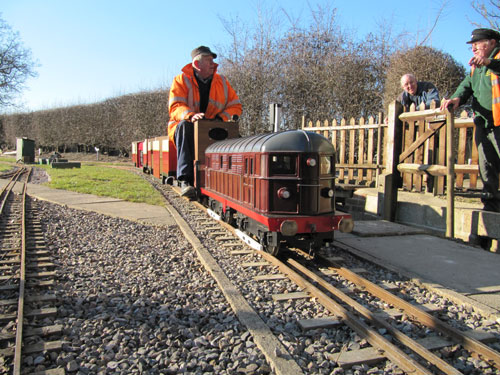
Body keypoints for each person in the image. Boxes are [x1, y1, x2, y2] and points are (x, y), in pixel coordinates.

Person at [168, 46, 242, 197]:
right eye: (208, 60)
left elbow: (236, 105)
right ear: (197, 64)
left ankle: (230, 178)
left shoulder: (222, 81)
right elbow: (175, 106)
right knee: (184, 127)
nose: (212, 64)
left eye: (212, 60)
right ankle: (186, 181)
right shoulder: (181, 80)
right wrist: (189, 115)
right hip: (186, 124)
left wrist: (221, 118)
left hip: (214, 124)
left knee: (233, 134)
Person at [441, 28, 500, 213]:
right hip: (484, 123)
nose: (473, 48)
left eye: (477, 43)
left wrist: (489, 62)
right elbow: (466, 86)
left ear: (491, 42)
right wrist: (456, 99)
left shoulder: (494, 60)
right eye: (471, 45)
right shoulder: (476, 67)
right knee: (486, 169)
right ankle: (491, 212)